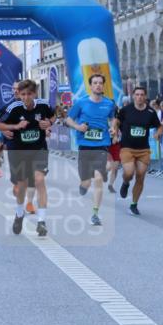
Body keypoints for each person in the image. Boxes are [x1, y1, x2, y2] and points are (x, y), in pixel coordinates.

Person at [0, 79, 53, 236]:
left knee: (39, 180)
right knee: (22, 185)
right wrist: (15, 126)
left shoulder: (43, 105)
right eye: (23, 94)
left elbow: (53, 116)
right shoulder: (13, 108)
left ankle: (41, 221)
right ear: (18, 95)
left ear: (35, 93)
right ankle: (19, 213)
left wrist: (48, 123)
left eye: (29, 94)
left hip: (38, 149)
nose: (26, 97)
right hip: (18, 150)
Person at [65, 74, 117, 226]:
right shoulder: (81, 102)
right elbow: (68, 119)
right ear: (90, 86)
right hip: (85, 146)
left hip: (101, 146)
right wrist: (78, 127)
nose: (98, 85)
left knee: (99, 179)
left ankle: (95, 213)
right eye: (95, 83)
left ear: (103, 85)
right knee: (86, 182)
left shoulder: (109, 103)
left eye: (101, 83)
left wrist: (113, 128)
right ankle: (83, 186)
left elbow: (113, 118)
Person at [116, 86, 163, 214]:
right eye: (137, 94)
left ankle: (134, 204)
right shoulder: (126, 110)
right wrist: (114, 131)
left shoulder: (150, 112)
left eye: (142, 95)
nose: (139, 97)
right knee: (129, 172)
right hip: (127, 147)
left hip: (143, 149)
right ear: (133, 96)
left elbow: (159, 126)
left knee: (141, 175)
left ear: (145, 96)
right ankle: (125, 182)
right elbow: (116, 121)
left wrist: (158, 133)